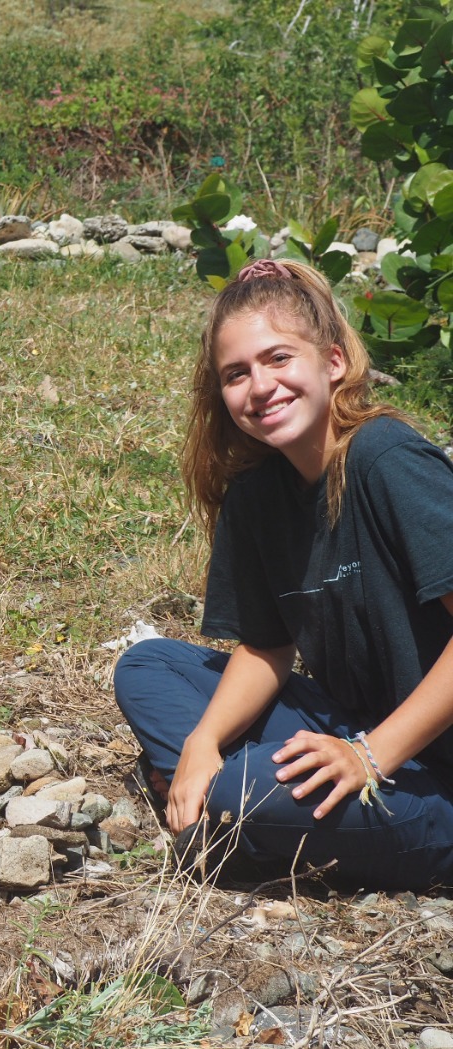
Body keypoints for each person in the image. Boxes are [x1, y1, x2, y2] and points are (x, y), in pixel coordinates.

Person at [114, 257, 453, 891]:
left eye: (278, 358)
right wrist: (203, 742)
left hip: (433, 772)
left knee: (245, 789)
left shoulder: (386, 459)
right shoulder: (257, 494)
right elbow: (267, 646)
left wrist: (369, 756)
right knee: (149, 666)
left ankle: (232, 816)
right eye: (236, 373)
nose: (260, 386)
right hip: (352, 727)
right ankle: (238, 807)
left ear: (333, 362)